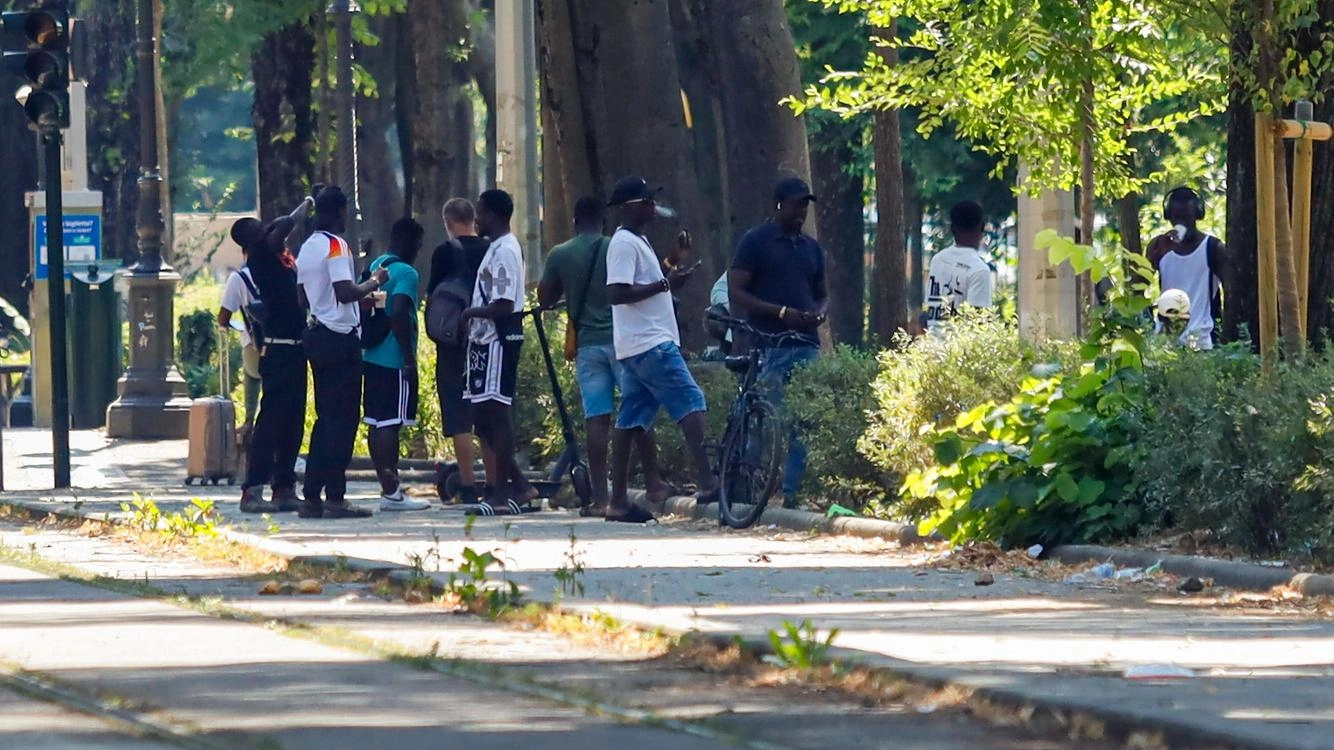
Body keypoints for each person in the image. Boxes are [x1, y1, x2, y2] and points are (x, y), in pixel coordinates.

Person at [538, 196, 674, 515]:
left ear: (574, 221)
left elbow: (545, 298)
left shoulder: (561, 254)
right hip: (623, 341)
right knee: (636, 412)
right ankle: (653, 482)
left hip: (587, 346)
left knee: (596, 419)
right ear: (603, 219)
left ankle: (601, 498)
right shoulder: (618, 246)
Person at [605, 176, 719, 523]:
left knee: (630, 419)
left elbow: (645, 285)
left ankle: (618, 500)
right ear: (628, 208)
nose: (653, 206)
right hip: (650, 344)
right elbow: (617, 292)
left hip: (638, 345)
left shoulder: (636, 241)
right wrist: (668, 282)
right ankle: (708, 481)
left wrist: (670, 263)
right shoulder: (623, 243)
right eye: (646, 201)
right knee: (691, 401)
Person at [727, 177, 828, 509]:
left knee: (804, 417)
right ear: (778, 204)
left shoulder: (812, 248)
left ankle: (791, 492)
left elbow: (823, 295)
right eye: (796, 203)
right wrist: (780, 312)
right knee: (767, 416)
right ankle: (746, 486)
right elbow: (737, 292)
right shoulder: (756, 242)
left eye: (805, 204)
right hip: (769, 343)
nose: (801, 210)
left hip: (806, 342)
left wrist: (818, 313)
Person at [295, 186, 388, 519]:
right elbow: (345, 290)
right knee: (344, 420)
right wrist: (374, 281)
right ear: (338, 212)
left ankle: (312, 494)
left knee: (325, 418)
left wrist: (339, 302)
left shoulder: (307, 247)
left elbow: (305, 298)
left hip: (317, 334)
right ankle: (334, 496)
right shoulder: (336, 245)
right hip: (340, 339)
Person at [233, 196, 314, 514]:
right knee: (271, 420)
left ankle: (284, 486)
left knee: (293, 420)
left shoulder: (279, 253)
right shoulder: (262, 255)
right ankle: (252, 489)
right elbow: (281, 227)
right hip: (278, 347)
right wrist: (305, 204)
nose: (266, 228)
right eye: (259, 228)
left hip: (296, 345)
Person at [461, 189, 530, 515]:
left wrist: (470, 313)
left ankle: (501, 493)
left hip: (497, 339)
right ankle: (521, 485)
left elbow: (503, 303)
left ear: (495, 215)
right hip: (482, 342)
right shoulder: (495, 249)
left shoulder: (505, 251)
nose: (476, 218)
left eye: (481, 212)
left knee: (496, 414)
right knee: (481, 417)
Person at [363, 218, 431, 511]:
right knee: (391, 422)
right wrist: (408, 357)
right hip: (393, 358)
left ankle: (388, 487)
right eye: (417, 245)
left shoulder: (377, 265)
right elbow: (401, 311)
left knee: (376, 422)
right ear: (411, 243)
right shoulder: (407, 273)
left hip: (371, 356)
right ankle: (393, 493)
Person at [428, 198, 491, 504]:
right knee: (488, 409)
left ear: (448, 223)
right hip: (486, 338)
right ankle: (493, 482)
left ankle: (466, 484)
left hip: (453, 341)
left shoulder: (444, 252)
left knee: (458, 412)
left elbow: (434, 297)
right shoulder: (491, 249)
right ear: (474, 220)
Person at [1147, 187, 1228, 350]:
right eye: (1176, 218)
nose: (1181, 223)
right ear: (1168, 216)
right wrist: (1153, 260)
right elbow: (1136, 289)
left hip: (1203, 344)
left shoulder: (1213, 248)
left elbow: (1232, 294)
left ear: (1197, 215)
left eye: (1186, 218)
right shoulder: (1158, 246)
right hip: (1166, 344)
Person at [924, 200, 994, 334]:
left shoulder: (938, 260)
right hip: (960, 353)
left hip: (932, 349)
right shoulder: (979, 270)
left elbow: (931, 308)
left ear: (952, 229)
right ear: (982, 228)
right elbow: (979, 324)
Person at [217, 237, 261, 435]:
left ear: (245, 253)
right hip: (286, 344)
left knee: (252, 375)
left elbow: (223, 317)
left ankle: (250, 421)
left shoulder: (239, 278)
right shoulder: (281, 272)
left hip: (255, 343)